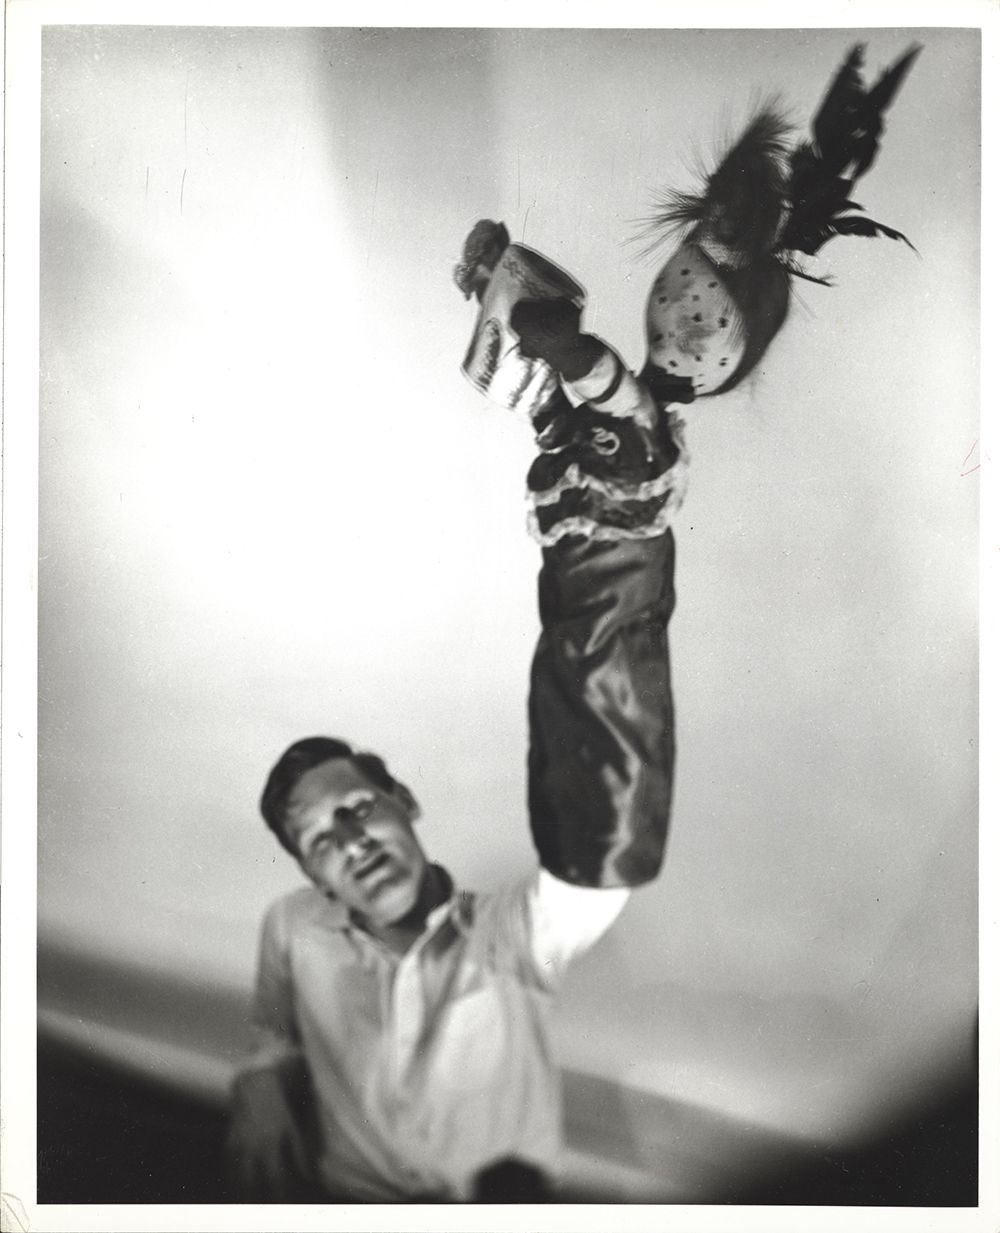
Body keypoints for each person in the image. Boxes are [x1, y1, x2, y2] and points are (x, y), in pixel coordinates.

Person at [226, 42, 919, 1203]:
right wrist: (264, 1061)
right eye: (317, 838)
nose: (343, 840)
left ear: (407, 802)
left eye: (352, 806)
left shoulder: (509, 941)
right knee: (580, 687)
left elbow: (587, 374)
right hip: (580, 599)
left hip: (604, 599)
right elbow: (557, 379)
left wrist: (549, 330)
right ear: (303, 874)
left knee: (595, 708)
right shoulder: (294, 929)